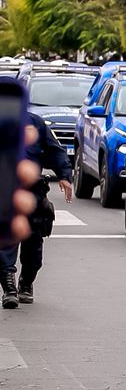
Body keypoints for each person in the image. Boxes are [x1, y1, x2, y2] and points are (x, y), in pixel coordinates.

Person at [0, 109, 71, 309]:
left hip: (32, 192)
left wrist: (64, 175)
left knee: (33, 243)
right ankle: (9, 288)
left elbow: (54, 150)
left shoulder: (35, 123)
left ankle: (26, 283)